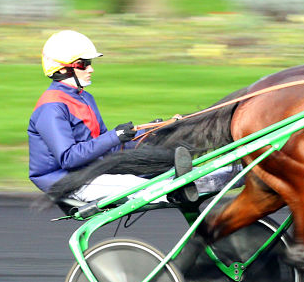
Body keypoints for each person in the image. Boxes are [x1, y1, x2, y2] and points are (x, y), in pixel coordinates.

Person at [28, 30, 241, 204]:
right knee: (146, 186)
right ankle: (209, 182)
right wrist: (115, 136)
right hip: (69, 181)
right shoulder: (51, 108)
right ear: (64, 69)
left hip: (91, 170)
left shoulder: (84, 97)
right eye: (84, 64)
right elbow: (68, 158)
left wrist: (149, 133)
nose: (91, 69)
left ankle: (240, 171)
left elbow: (105, 147)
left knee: (163, 170)